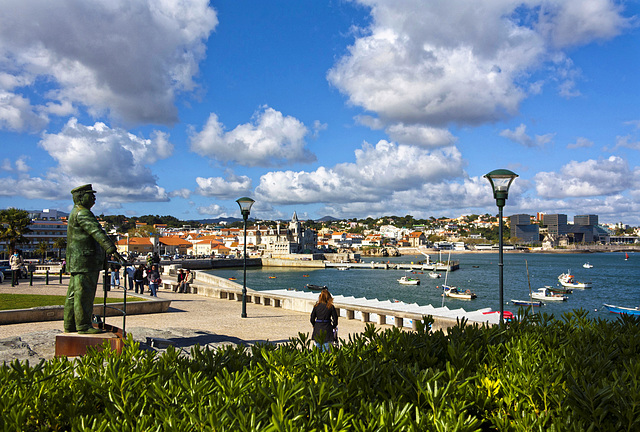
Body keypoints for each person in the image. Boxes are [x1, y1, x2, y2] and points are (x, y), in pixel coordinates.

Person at [64, 184, 123, 334]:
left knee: (74, 294)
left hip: (79, 260)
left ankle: (70, 325)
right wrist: (112, 249)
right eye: (91, 195)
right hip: (85, 261)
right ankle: (83, 326)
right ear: (81, 197)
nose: (94, 198)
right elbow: (97, 232)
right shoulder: (83, 213)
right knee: (84, 294)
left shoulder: (75, 212)